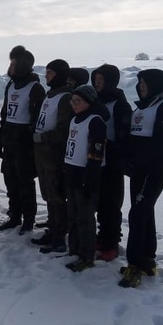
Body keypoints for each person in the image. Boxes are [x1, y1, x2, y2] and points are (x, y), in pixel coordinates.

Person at [119, 69, 163, 288]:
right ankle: (147, 258)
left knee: (137, 213)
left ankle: (134, 264)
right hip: (138, 170)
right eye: (139, 83)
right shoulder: (144, 106)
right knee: (145, 212)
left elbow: (161, 143)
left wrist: (140, 160)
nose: (141, 86)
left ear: (156, 84)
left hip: (153, 170)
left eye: (145, 82)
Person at [0, 46, 45, 234]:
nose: (10, 67)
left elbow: (37, 119)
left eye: (13, 63)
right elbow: (5, 113)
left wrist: (31, 144)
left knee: (25, 183)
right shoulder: (11, 85)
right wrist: (1, 138)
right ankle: (14, 215)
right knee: (10, 180)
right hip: (9, 139)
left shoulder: (35, 88)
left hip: (24, 142)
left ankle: (28, 218)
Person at [31, 59, 75, 252]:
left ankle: (59, 235)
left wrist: (43, 137)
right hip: (41, 153)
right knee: (48, 194)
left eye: (50, 72)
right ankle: (53, 228)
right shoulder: (50, 95)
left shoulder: (66, 97)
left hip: (54, 155)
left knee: (56, 196)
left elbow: (64, 130)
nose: (46, 75)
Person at [63, 85, 108, 272]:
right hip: (72, 172)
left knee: (85, 217)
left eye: (78, 101)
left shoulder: (95, 121)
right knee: (72, 214)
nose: (73, 104)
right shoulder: (74, 119)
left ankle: (87, 254)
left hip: (86, 175)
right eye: (72, 100)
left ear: (88, 102)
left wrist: (90, 177)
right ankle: (73, 248)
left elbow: (96, 153)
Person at [92, 64, 132, 261]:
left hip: (113, 163)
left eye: (101, 80)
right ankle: (102, 236)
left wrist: (109, 147)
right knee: (99, 202)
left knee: (111, 204)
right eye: (96, 79)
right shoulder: (96, 101)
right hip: (95, 160)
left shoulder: (120, 105)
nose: (97, 83)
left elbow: (124, 137)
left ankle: (111, 243)